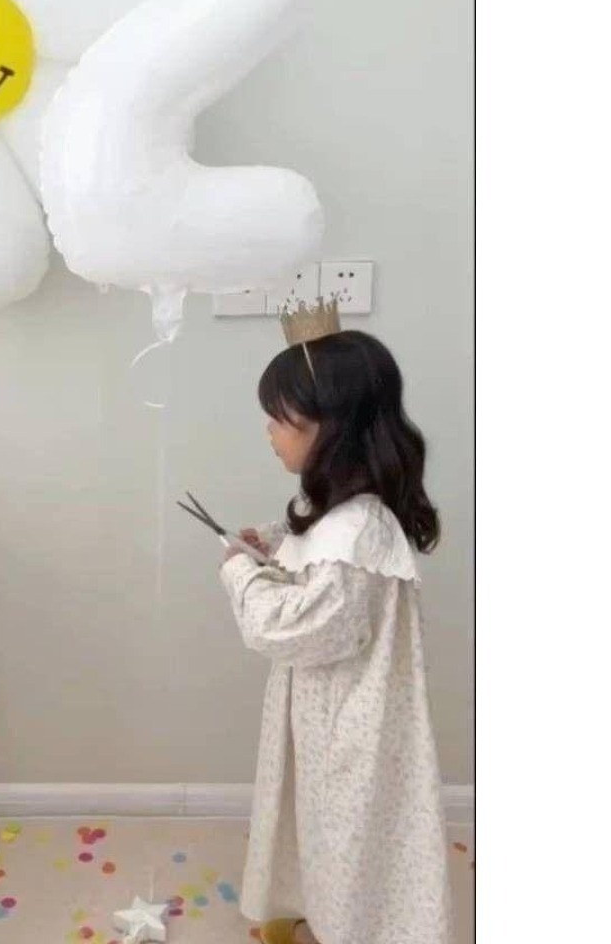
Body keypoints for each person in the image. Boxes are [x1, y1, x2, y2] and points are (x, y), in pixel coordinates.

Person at [218, 300, 450, 944]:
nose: (269, 430)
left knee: (346, 833)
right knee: (316, 822)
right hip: (326, 711)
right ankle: (315, 909)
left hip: (352, 722)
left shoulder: (357, 527)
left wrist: (240, 575)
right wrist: (270, 544)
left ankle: (349, 929)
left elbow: (296, 626)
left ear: (333, 427)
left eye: (281, 417)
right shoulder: (334, 509)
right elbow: (313, 558)